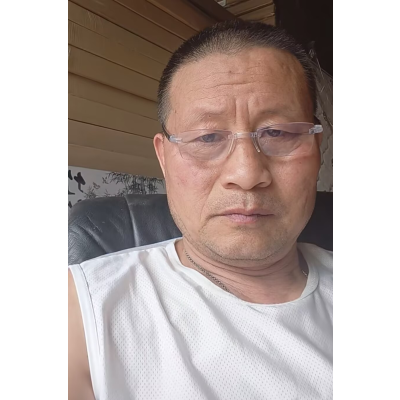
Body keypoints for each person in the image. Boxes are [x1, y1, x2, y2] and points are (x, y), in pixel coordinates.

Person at [69, 19, 332, 400]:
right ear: (164, 158)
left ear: (317, 149)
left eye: (277, 132)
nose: (246, 174)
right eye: (207, 137)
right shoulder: (82, 311)